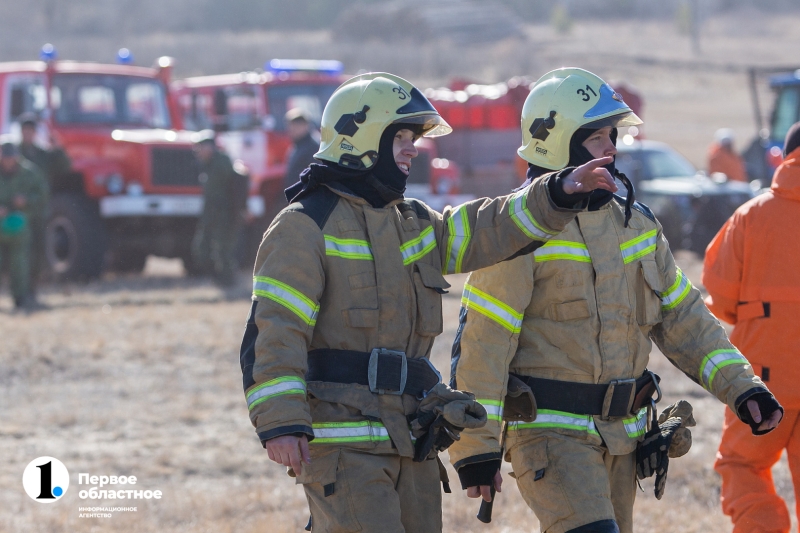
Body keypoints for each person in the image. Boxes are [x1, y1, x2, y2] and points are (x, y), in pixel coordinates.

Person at [238, 72, 619, 533]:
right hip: (342, 443)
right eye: (399, 136)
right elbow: (275, 331)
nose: (411, 148)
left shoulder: (412, 222)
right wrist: (281, 423)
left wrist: (557, 192)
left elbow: (487, 227)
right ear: (360, 139)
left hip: (411, 438)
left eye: (411, 137)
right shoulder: (302, 226)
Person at [447, 67, 783, 533]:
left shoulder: (636, 226)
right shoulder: (519, 230)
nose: (612, 147)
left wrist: (742, 387)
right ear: (559, 141)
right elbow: (483, 344)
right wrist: (475, 449)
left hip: (622, 440)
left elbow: (684, 316)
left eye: (612, 135)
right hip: (549, 439)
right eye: (597, 137)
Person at [703, 122, 800, 533]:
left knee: (742, 465)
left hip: (764, 382)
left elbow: (720, 299)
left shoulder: (750, 216)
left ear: (785, 157)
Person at [0, 141, 48, 310]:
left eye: (11, 157)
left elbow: (43, 196)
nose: (8, 161)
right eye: (5, 157)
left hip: (21, 225)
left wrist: (26, 201)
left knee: (20, 263)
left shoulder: (30, 172)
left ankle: (20, 297)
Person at [191, 131, 242, 286]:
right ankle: (217, 279)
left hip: (224, 214)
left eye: (201, 148)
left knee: (223, 250)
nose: (198, 152)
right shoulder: (207, 165)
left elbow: (230, 189)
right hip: (211, 214)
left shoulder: (221, 163)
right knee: (202, 248)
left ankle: (228, 282)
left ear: (210, 147)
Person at [16, 113, 60, 293]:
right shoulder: (13, 152)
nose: (27, 134)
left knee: (38, 249)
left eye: (30, 130)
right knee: (19, 250)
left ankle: (33, 286)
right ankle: (19, 286)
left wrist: (57, 148)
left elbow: (62, 167)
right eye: (24, 130)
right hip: (17, 210)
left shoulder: (43, 154)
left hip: (38, 209)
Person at [282, 108, 320, 196]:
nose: (292, 128)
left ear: (306, 125)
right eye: (290, 125)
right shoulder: (297, 145)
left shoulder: (314, 146)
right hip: (297, 196)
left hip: (308, 198)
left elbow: (317, 177)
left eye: (297, 124)